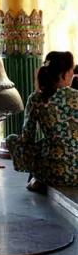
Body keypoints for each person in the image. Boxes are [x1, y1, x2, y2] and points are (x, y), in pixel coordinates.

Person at [7, 50, 78, 193]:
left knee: (12, 139)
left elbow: (27, 138)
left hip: (53, 173)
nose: (72, 74)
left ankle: (38, 179)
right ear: (64, 74)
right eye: (71, 70)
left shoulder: (36, 99)